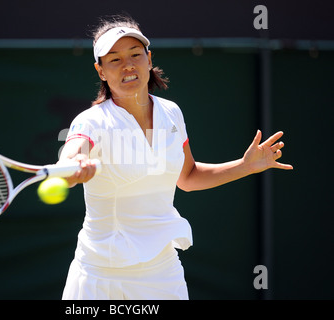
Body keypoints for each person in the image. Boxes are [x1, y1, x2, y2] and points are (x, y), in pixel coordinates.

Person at [57, 15, 293, 300]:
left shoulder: (171, 113)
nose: (128, 65)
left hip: (162, 273)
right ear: (101, 71)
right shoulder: (90, 121)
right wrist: (72, 167)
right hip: (100, 276)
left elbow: (189, 177)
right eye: (115, 59)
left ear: (148, 58)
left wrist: (244, 166)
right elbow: (71, 156)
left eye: (135, 54)